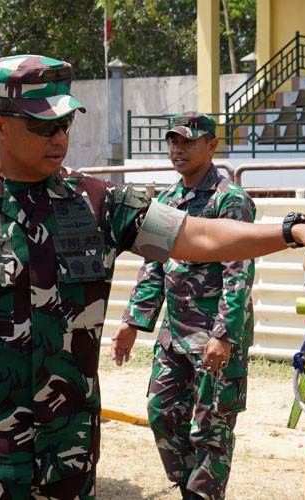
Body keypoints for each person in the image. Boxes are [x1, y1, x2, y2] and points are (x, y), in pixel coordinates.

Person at [0, 54, 305, 500]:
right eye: (43, 127)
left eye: (66, 124)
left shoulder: (99, 203)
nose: (60, 138)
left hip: (68, 459)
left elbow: (203, 237)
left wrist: (292, 230)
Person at [112, 111, 253, 500]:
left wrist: (223, 336)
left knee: (211, 427)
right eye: (174, 141)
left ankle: (202, 495)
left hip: (214, 337)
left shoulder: (231, 200)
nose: (179, 149)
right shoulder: (168, 200)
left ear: (212, 146)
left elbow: (238, 274)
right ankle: (193, 488)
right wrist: (132, 322)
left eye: (189, 142)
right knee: (162, 415)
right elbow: (153, 264)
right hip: (174, 337)